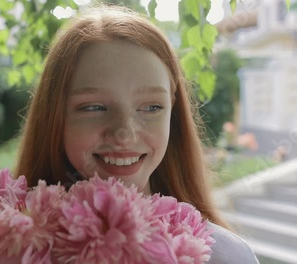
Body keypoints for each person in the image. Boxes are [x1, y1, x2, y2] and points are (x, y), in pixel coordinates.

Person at [15, 5, 259, 263]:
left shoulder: (226, 257)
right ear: (56, 115)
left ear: (172, 112)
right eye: (94, 107)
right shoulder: (3, 251)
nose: (124, 133)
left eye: (152, 107)